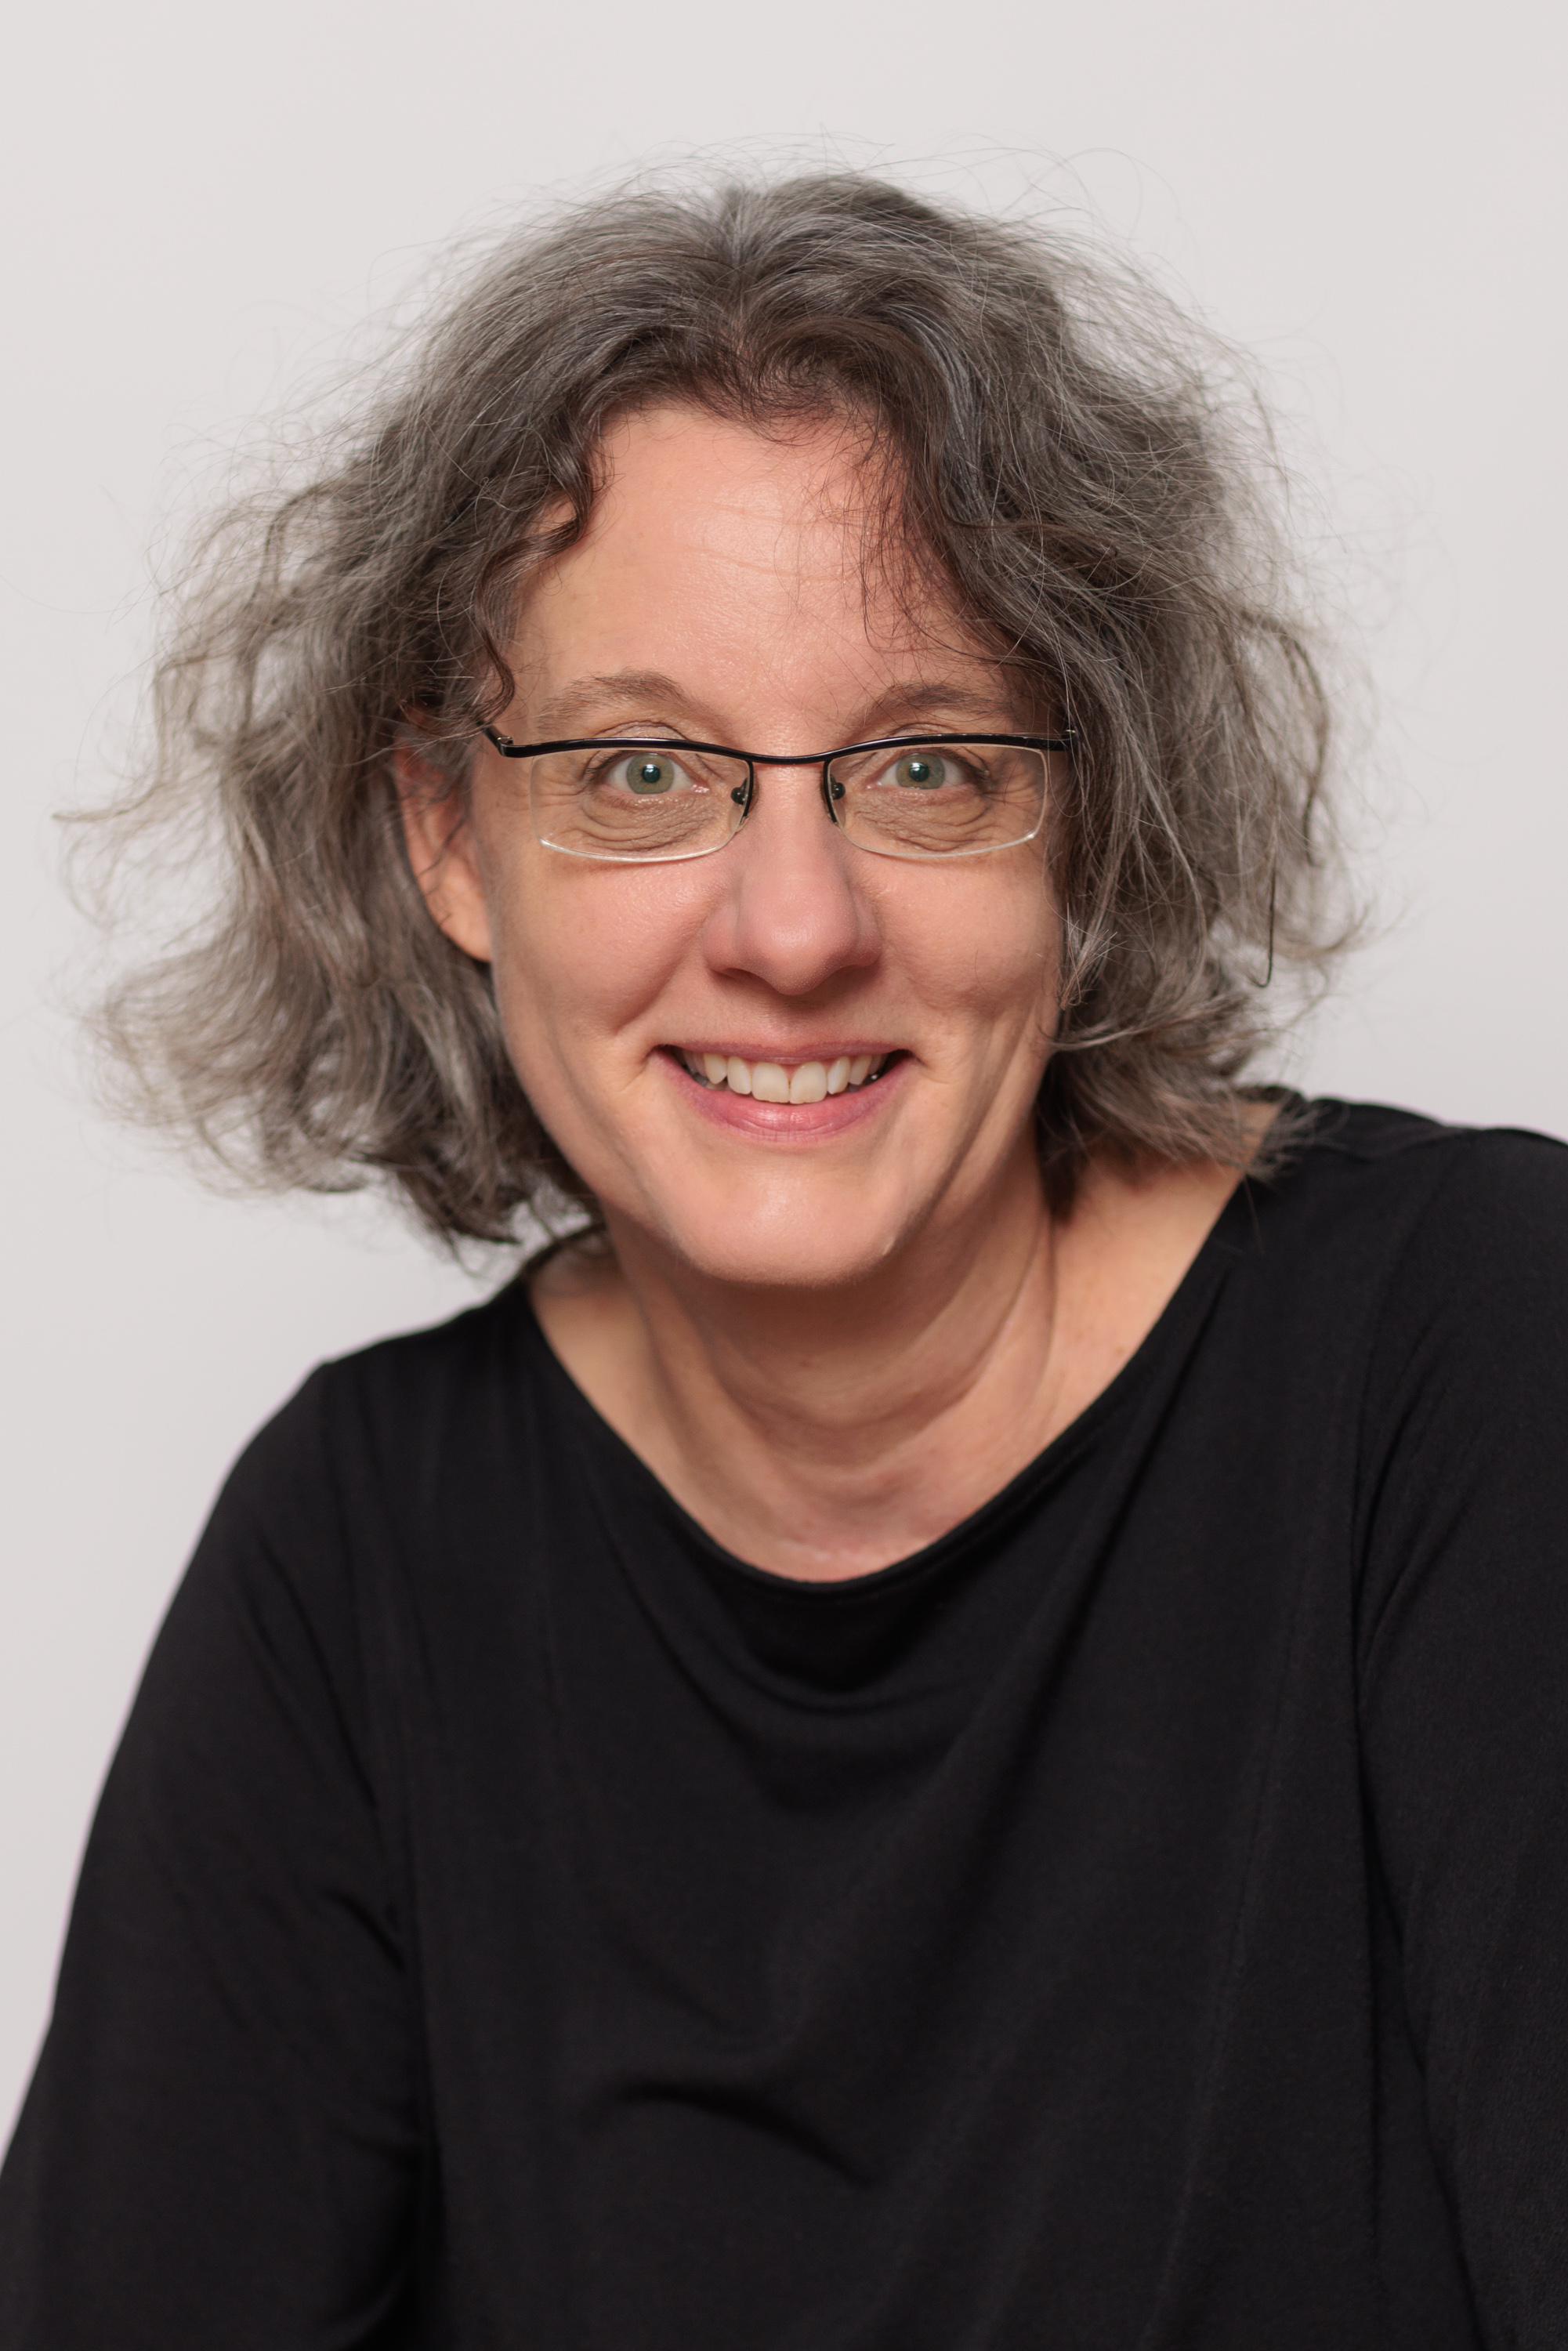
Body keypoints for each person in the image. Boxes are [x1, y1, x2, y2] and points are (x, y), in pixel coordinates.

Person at [2, 171, 1564, 2349]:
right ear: (450, 837)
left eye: (928, 766)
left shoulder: (1479, 1351)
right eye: (641, 770)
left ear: (1084, 825)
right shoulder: (357, 1551)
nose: (796, 927)